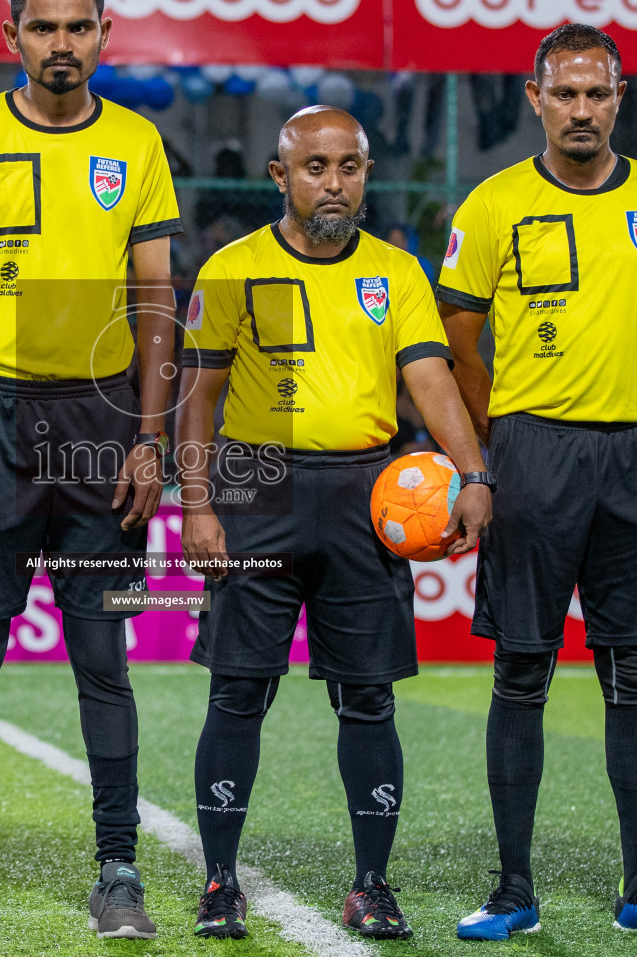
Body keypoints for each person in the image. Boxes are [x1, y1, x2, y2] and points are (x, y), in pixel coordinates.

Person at [0, 0, 181, 941]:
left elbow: (156, 306)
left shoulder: (138, 143)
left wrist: (151, 441)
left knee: (102, 658)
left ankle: (119, 870)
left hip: (104, 425)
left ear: (104, 35)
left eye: (77, 26)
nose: (60, 42)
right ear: (11, 36)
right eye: (42, 26)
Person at [178, 106, 492, 942]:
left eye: (349, 165)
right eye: (315, 166)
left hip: (365, 495)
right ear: (280, 177)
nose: (334, 181)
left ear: (366, 171)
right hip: (256, 486)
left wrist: (474, 473)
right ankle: (219, 882)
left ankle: (372, 884)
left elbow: (431, 385)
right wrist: (198, 505)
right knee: (240, 691)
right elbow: (198, 401)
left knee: (370, 699)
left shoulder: (395, 271)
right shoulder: (232, 268)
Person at [436, 23, 637, 941]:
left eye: (598, 93)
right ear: (536, 98)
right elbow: (459, 334)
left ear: (619, 97)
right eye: (566, 94)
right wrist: (495, 436)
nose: (582, 109)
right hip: (532, 453)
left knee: (634, 672)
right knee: (522, 670)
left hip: (634, 455)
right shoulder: (495, 203)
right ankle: (514, 886)